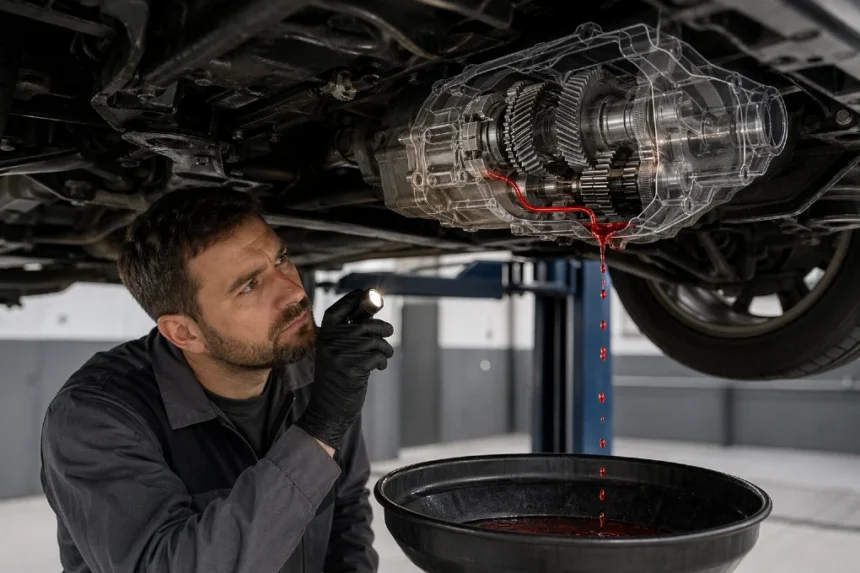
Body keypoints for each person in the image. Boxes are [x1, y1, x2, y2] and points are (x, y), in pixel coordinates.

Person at [39, 188, 394, 573]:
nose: (293, 291)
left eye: (282, 259)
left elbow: (346, 512)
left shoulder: (314, 373)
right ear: (184, 333)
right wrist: (320, 431)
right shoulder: (96, 416)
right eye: (249, 285)